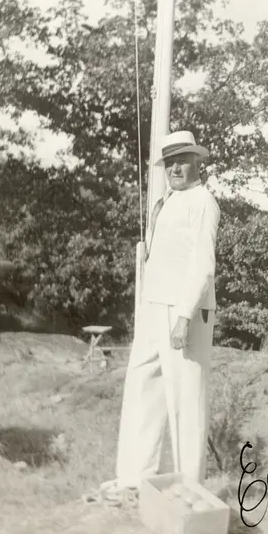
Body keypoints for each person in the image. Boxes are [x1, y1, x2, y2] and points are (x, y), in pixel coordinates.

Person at [101, 130, 220, 505]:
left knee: (185, 398)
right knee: (142, 386)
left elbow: (203, 265)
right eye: (170, 163)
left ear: (198, 163)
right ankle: (134, 479)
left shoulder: (203, 202)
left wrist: (184, 316)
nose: (175, 169)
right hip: (154, 306)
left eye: (182, 161)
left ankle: (190, 490)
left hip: (184, 310)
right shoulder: (165, 201)